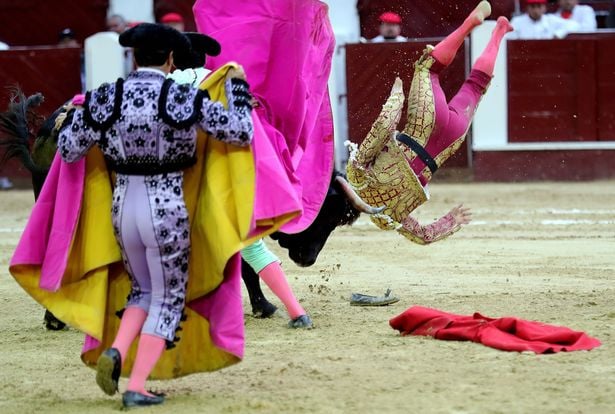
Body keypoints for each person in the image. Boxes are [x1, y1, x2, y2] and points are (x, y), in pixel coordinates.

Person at [56, 23, 253, 408]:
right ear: (171, 59)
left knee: (143, 290)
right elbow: (241, 131)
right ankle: (136, 386)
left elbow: (67, 149)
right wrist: (237, 87)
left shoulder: (104, 98)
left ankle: (116, 350)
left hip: (122, 207)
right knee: (168, 298)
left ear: (134, 56)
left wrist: (76, 116)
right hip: (165, 207)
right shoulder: (181, 97)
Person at [170, 32, 313, 329]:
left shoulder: (168, 86)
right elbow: (250, 131)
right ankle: (297, 312)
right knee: (252, 247)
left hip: (188, 181)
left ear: (172, 59)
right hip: (232, 178)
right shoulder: (225, 81)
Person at [346, 1, 512, 244]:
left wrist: (451, 220)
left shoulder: (386, 217)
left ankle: (499, 31)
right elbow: (384, 125)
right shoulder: (356, 176)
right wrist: (397, 96)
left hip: (448, 142)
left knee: (476, 87)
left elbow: (423, 236)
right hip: (423, 123)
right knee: (427, 68)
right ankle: (469, 24)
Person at [508, 0, 580, 39]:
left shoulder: (551, 20)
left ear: (544, 8)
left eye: (539, 6)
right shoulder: (517, 21)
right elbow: (510, 40)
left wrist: (558, 34)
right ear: (527, 8)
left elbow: (574, 25)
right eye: (532, 6)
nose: (535, 10)